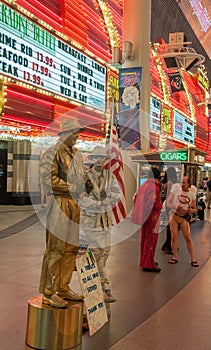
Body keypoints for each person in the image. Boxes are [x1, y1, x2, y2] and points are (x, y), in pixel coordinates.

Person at [39, 118, 85, 308]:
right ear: (64, 133)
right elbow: (48, 179)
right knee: (55, 249)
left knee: (71, 248)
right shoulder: (52, 153)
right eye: (74, 132)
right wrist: (73, 187)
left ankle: (63, 287)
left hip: (75, 204)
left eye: (77, 133)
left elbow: (82, 177)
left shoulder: (77, 154)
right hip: (59, 203)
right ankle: (48, 291)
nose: (77, 136)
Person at [80, 146, 121, 303]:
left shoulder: (110, 177)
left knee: (104, 254)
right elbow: (81, 197)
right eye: (96, 157)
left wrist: (105, 202)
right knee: (92, 255)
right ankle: (100, 289)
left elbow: (117, 194)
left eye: (101, 157)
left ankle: (102, 289)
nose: (99, 160)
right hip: (90, 222)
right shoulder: (86, 177)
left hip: (104, 221)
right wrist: (96, 204)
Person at [131, 166, 163, 273]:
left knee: (144, 238)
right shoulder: (155, 187)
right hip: (152, 215)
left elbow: (136, 199)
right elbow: (151, 202)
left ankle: (145, 260)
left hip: (144, 216)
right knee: (151, 239)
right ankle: (148, 264)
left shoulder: (143, 185)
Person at [167, 175, 199, 267]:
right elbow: (168, 203)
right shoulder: (176, 191)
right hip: (174, 215)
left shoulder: (191, 195)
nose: (182, 184)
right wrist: (176, 207)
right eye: (181, 182)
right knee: (174, 237)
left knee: (188, 238)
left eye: (184, 183)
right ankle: (175, 256)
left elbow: (194, 209)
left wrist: (189, 210)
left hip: (184, 217)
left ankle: (193, 258)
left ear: (188, 184)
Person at [161, 167, 178, 255]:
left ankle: (167, 245)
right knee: (171, 226)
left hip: (167, 204)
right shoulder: (171, 183)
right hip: (171, 205)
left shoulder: (165, 183)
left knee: (170, 225)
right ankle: (168, 246)